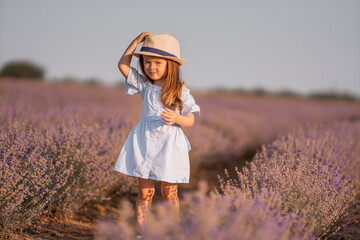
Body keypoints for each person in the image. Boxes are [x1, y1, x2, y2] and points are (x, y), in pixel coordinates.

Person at [114, 32, 200, 237]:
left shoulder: (180, 89)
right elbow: (123, 66)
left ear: (170, 65)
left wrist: (178, 119)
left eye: (157, 63)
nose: (151, 67)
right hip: (145, 143)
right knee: (145, 193)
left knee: (169, 193)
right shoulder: (145, 85)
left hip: (170, 146)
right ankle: (141, 234)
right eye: (146, 62)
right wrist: (135, 43)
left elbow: (191, 118)